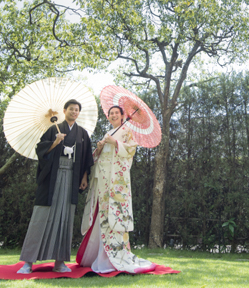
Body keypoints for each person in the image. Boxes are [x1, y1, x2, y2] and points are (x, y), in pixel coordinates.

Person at [76, 105, 156, 274]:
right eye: (111, 113)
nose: (113, 115)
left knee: (114, 214)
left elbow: (131, 150)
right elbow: (98, 157)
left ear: (122, 116)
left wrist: (116, 143)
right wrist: (99, 148)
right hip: (102, 179)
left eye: (116, 113)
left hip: (115, 181)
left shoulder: (127, 131)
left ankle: (112, 255)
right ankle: (99, 254)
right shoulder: (108, 132)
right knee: (102, 214)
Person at [18, 99, 93, 274]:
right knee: (41, 215)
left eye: (77, 110)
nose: (74, 112)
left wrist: (84, 177)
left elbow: (86, 157)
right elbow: (41, 150)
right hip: (52, 177)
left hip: (72, 178)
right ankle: (28, 262)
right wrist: (55, 142)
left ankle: (60, 262)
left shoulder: (82, 133)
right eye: (71, 109)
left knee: (65, 217)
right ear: (64, 111)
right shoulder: (53, 130)